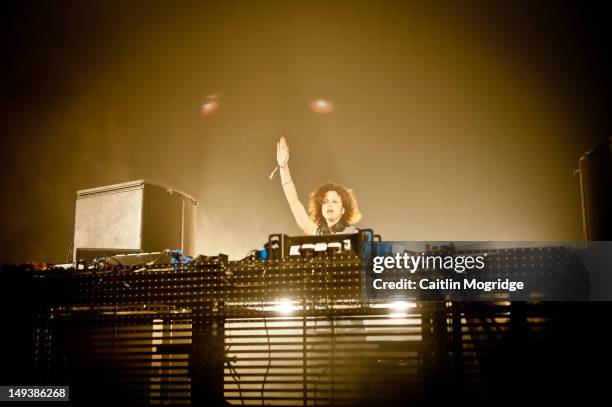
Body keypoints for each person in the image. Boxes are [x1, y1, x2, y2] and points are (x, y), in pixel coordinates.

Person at [275, 137, 361, 235]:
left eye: (335, 201)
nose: (329, 205)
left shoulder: (354, 233)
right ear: (320, 209)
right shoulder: (316, 233)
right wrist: (283, 167)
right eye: (325, 202)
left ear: (343, 209)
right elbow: (293, 201)